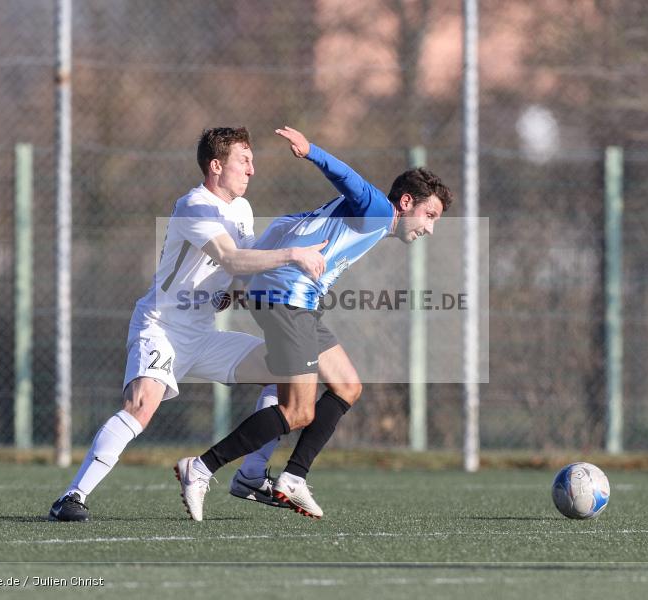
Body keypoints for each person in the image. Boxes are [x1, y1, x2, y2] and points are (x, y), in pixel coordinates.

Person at [48, 126, 328, 521]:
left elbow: (239, 271)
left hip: (202, 333)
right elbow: (231, 259)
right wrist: (292, 254)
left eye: (252, 161)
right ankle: (71, 498)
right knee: (141, 407)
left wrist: (242, 289)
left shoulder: (242, 211)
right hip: (161, 326)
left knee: (285, 372)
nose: (252, 170)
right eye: (243, 161)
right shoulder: (195, 205)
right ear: (216, 166)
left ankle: (252, 474)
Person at [175, 126, 453, 520]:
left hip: (296, 303)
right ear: (406, 201)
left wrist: (241, 285)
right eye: (430, 215)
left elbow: (284, 226)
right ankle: (201, 467)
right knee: (298, 411)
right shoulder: (378, 210)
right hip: (288, 303)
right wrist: (312, 152)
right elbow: (350, 180)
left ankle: (284, 478)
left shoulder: (363, 218)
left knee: (347, 386)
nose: (429, 227)